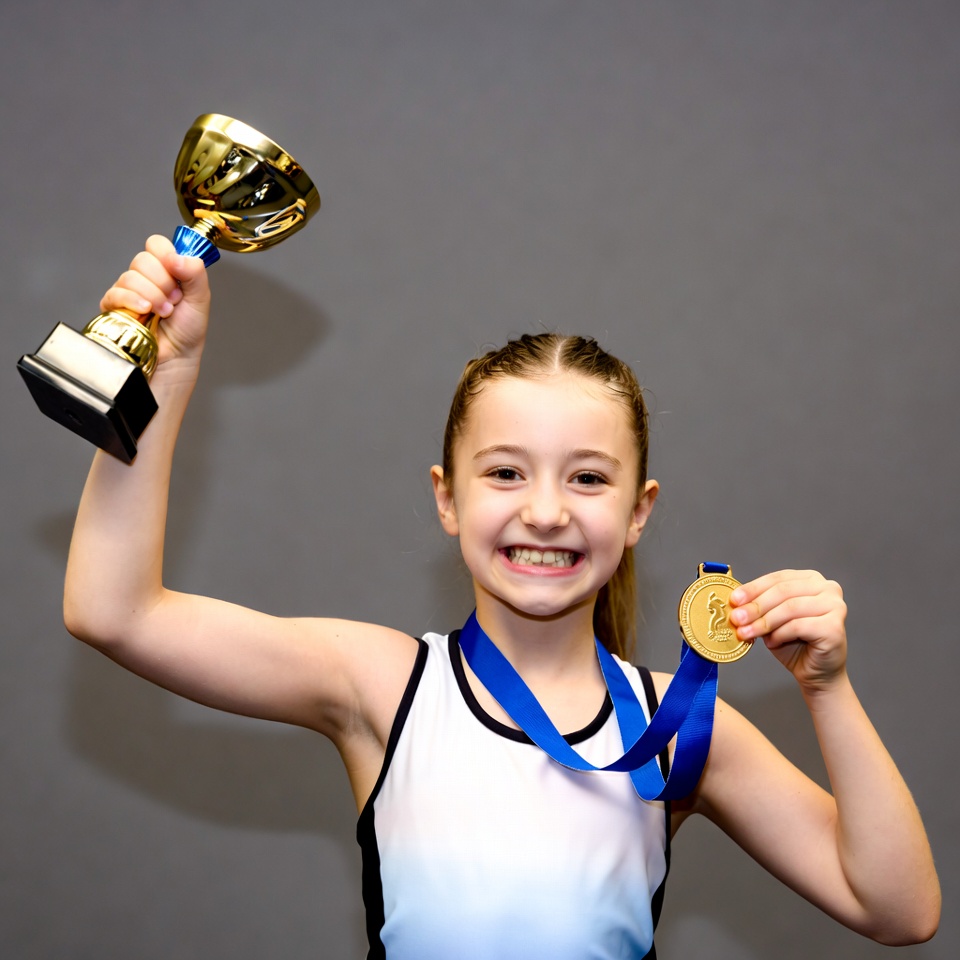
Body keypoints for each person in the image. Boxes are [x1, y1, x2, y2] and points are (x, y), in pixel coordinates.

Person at [64, 236, 941, 959]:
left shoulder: (681, 726)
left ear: (640, 514)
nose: (547, 510)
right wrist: (166, 376)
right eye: (507, 472)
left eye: (589, 478)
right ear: (448, 498)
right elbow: (115, 612)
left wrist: (827, 690)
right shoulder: (381, 686)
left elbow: (899, 911)